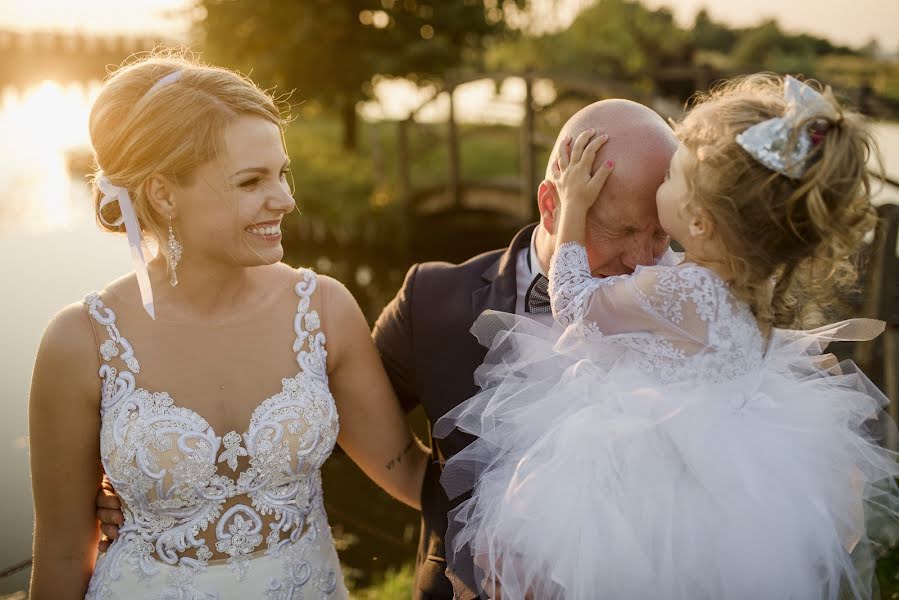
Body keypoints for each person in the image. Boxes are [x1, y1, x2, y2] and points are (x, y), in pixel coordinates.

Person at [95, 96, 679, 598]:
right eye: (623, 232)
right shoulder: (435, 303)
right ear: (554, 203)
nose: (645, 258)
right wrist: (158, 483)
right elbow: (317, 412)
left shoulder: (691, 302)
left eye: (660, 232)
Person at [435, 74, 899, 600]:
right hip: (736, 490)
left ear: (699, 219)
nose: (661, 190)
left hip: (642, 483)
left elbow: (572, 304)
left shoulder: (674, 290)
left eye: (672, 177)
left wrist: (573, 213)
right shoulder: (757, 288)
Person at [28, 52, 429, 600]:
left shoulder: (324, 310)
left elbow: (409, 473)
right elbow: (62, 553)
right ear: (164, 194)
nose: (285, 199)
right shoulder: (81, 342)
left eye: (282, 174)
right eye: (251, 182)